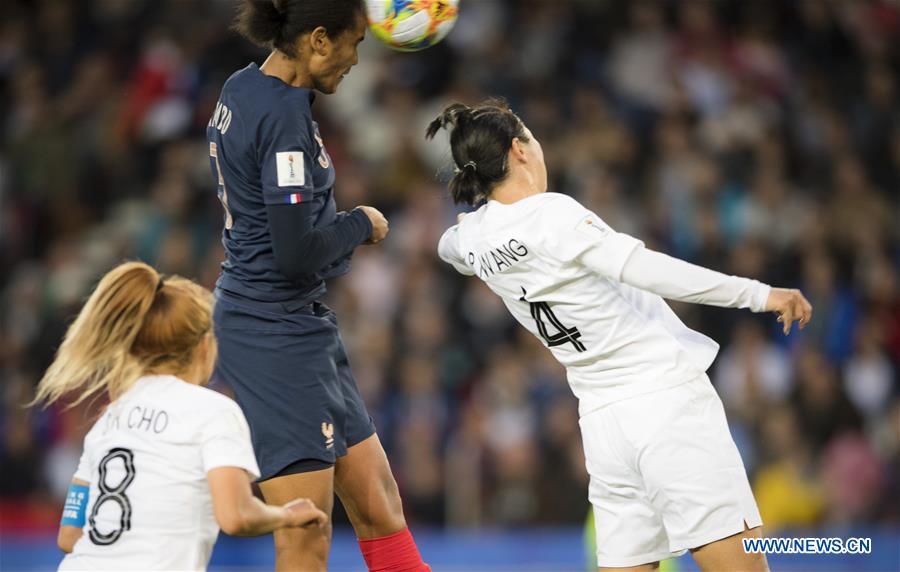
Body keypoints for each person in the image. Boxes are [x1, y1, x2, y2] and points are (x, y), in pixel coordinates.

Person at [430, 100, 813, 572]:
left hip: (603, 425)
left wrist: (470, 224)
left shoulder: (474, 239)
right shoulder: (551, 215)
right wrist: (758, 294)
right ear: (519, 150)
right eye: (532, 136)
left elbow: (447, 246)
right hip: (665, 404)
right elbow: (648, 270)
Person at [206, 1, 428, 570]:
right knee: (307, 530)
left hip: (298, 322)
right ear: (320, 40)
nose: (356, 59)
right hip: (270, 332)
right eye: (355, 43)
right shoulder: (282, 117)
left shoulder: (243, 85)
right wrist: (362, 224)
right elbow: (294, 251)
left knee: (379, 504)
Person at [31, 261, 328, 571]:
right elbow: (236, 515)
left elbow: (69, 535)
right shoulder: (213, 411)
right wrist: (288, 515)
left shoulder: (109, 418)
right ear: (203, 346)